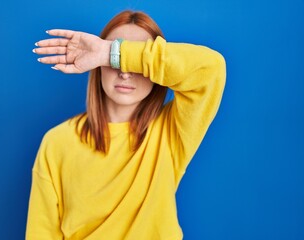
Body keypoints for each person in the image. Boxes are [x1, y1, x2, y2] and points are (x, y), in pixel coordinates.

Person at [26, 10, 226, 240]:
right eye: (112, 61)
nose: (124, 72)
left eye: (135, 59)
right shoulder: (57, 142)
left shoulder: (170, 131)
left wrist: (113, 52)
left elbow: (212, 69)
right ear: (97, 66)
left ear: (154, 69)